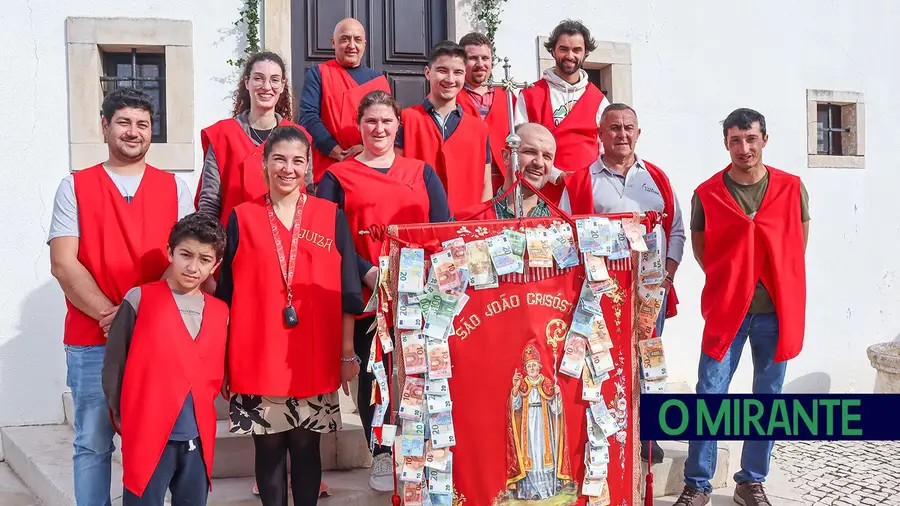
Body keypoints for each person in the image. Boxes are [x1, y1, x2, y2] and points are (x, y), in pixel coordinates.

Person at [48, 87, 194, 506]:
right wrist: (113, 315)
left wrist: (136, 317)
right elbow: (64, 263)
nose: (134, 132)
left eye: (143, 124)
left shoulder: (175, 189)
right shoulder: (73, 186)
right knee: (93, 443)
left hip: (154, 339)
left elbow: (182, 263)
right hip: (91, 338)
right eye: (124, 123)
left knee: (150, 445)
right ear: (105, 126)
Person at [216, 125, 362, 506]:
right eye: (279, 159)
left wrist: (347, 353)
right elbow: (226, 297)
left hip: (312, 356)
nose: (288, 168)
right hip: (256, 354)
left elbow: (349, 289)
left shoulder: (329, 216)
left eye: (298, 160)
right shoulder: (242, 217)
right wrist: (225, 360)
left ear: (308, 167)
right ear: (264, 164)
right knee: (266, 451)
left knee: (306, 448)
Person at [673, 108, 809, 506]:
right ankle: (697, 483)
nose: (744, 148)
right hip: (727, 308)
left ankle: (750, 481)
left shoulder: (791, 187)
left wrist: (770, 276)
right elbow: (702, 247)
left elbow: (797, 242)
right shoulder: (708, 192)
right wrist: (732, 278)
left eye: (751, 139)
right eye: (735, 140)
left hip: (774, 312)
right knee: (709, 394)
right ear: (726, 143)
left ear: (764, 139)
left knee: (767, 396)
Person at [317, 89, 450, 491]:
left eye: (386, 121)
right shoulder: (336, 177)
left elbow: (442, 230)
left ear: (398, 126)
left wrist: (430, 280)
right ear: (359, 126)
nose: (379, 128)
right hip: (369, 291)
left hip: (420, 291)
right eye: (371, 121)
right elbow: (329, 235)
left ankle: (421, 450)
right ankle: (379, 452)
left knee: (421, 371)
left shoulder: (421, 172)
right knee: (376, 377)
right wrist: (368, 273)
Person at [559, 103, 684, 463]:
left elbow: (674, 230)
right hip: (600, 292)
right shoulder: (583, 180)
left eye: (629, 127)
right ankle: (605, 429)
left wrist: (668, 277)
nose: (622, 134)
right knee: (602, 359)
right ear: (600, 134)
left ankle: (650, 435)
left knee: (648, 359)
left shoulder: (657, 178)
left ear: (638, 133)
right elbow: (566, 234)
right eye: (614, 128)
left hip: (649, 291)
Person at [102, 213, 228, 506]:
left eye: (204, 259)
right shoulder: (139, 299)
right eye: (185, 255)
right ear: (170, 252)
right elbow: (114, 365)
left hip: (197, 434)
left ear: (216, 264)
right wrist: (125, 419)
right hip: (147, 431)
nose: (193, 267)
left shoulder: (221, 312)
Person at [196, 51, 312, 228]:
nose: (266, 87)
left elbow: (308, 193)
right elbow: (210, 202)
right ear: (247, 82)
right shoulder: (222, 135)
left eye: (274, 80)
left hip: (287, 240)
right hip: (234, 239)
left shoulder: (299, 137)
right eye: (258, 78)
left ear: (282, 86)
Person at [514, 19, 611, 205]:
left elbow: (605, 148)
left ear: (585, 54)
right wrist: (555, 175)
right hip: (539, 189)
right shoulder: (530, 95)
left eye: (576, 50)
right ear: (553, 51)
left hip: (585, 190)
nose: (570, 55)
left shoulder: (599, 100)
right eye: (564, 49)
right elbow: (518, 144)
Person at [395, 40, 492, 215]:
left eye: (458, 72)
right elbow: (394, 175)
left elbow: (485, 185)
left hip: (465, 227)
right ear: (427, 73)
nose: (450, 79)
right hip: (417, 224)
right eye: (442, 71)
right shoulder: (406, 120)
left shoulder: (479, 129)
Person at [300, 17, 392, 185]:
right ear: (333, 42)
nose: (351, 45)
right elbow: (308, 117)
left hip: (371, 167)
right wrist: (336, 151)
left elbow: (388, 124)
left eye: (357, 40)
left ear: (364, 43)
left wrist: (365, 149)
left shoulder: (379, 81)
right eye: (344, 39)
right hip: (329, 168)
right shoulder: (318, 74)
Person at [454, 122, 558, 221]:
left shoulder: (565, 225)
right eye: (530, 152)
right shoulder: (468, 221)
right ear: (506, 156)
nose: (539, 163)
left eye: (547, 156)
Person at [458, 31, 514, 193]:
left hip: (504, 182)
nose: (480, 64)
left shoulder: (508, 96)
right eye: (473, 58)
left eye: (485, 58)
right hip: (466, 181)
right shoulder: (449, 97)